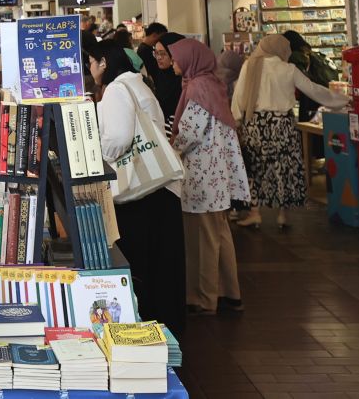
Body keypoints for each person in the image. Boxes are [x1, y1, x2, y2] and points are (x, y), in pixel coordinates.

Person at [88, 41, 185, 337]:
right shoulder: (138, 83)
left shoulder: (118, 88)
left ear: (104, 62)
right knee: (162, 267)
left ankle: (147, 332)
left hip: (139, 193)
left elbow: (117, 138)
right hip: (159, 188)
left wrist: (94, 154)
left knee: (141, 265)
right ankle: (165, 331)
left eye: (91, 62)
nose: (90, 69)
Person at [167, 39, 250, 315]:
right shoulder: (211, 84)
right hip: (218, 175)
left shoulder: (198, 87)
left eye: (176, 58)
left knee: (202, 239)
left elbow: (189, 132)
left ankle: (203, 300)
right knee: (220, 235)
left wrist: (170, 148)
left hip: (202, 176)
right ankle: (230, 293)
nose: (173, 62)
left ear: (191, 59)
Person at [232, 33, 347, 230]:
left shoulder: (249, 66)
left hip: (256, 124)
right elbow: (314, 90)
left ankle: (255, 213)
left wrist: (236, 120)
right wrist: (343, 100)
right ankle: (283, 216)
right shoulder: (288, 69)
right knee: (284, 167)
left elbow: (239, 96)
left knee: (255, 167)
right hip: (282, 124)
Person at [283, 30, 337, 122]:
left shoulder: (294, 57)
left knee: (308, 131)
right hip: (329, 100)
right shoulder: (316, 55)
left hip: (311, 103)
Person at [151, 32, 187, 126]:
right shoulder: (160, 75)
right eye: (156, 53)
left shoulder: (186, 80)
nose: (158, 57)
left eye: (163, 54)